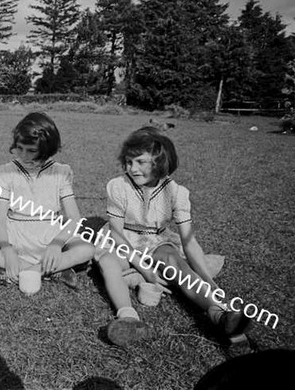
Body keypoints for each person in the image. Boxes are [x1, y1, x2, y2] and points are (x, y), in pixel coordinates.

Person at [95, 126, 250, 346]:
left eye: (140, 162)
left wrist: (209, 280)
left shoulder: (177, 193)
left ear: (160, 162)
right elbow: (117, 232)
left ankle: (219, 314)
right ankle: (128, 317)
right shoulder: (118, 186)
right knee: (108, 262)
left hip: (155, 239)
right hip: (122, 241)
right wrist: (144, 268)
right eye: (129, 162)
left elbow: (188, 241)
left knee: (173, 260)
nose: (132, 169)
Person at [0, 112, 95, 291]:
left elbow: (74, 218)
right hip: (15, 235)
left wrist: (57, 244)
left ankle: (17, 270)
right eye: (20, 148)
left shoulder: (60, 172)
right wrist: (7, 249)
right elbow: (0, 220)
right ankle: (49, 270)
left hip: (50, 233)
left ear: (47, 148)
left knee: (87, 249)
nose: (24, 155)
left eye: (31, 150)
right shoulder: (6, 172)